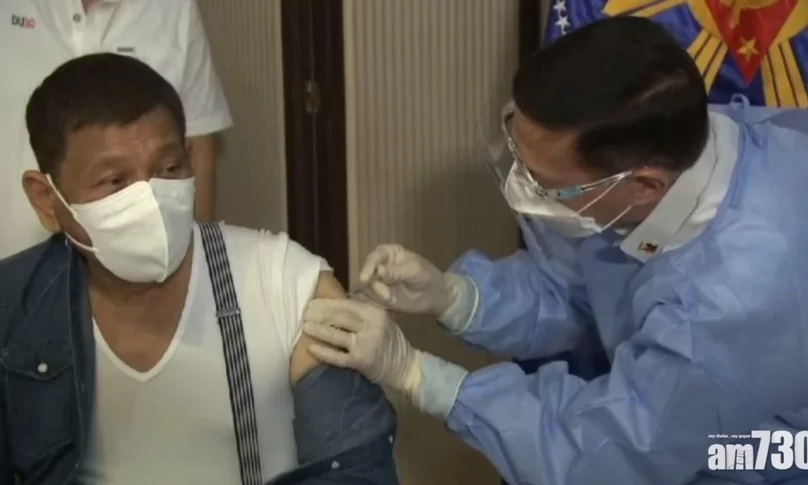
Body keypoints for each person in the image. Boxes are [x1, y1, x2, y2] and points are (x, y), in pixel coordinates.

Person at [301, 16, 808, 485]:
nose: (522, 188)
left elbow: (604, 454)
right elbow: (578, 287)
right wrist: (455, 296)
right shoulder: (673, 140)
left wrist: (417, 374)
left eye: (544, 184)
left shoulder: (730, 303)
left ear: (644, 185)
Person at [0, 53, 398, 485]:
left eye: (169, 168)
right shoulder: (13, 308)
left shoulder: (286, 284)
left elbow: (358, 470)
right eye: (115, 181)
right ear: (46, 200)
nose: (150, 199)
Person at [0, 0, 230, 259]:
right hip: (16, 250)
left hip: (147, 257)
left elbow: (198, 143)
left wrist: (199, 262)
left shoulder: (173, 7)